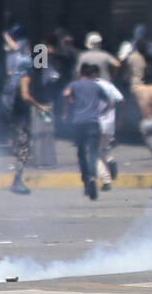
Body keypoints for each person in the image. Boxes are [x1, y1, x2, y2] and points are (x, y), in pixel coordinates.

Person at [62, 62, 112, 200]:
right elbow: (110, 102)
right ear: (90, 73)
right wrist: (102, 112)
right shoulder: (96, 86)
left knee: (81, 154)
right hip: (93, 123)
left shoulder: (74, 85)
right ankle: (91, 177)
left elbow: (66, 94)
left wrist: (67, 110)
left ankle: (86, 182)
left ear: (80, 73)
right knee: (93, 153)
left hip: (78, 123)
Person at [8, 55, 52, 194]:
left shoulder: (15, 78)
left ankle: (17, 180)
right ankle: (17, 181)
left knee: (21, 150)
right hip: (21, 120)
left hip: (16, 119)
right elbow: (25, 96)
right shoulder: (25, 78)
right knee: (24, 151)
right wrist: (41, 107)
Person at [93, 69, 124, 191]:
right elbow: (121, 99)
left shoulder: (89, 86)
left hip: (96, 124)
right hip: (109, 124)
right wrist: (120, 119)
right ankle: (110, 160)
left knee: (94, 154)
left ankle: (106, 181)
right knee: (104, 147)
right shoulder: (107, 84)